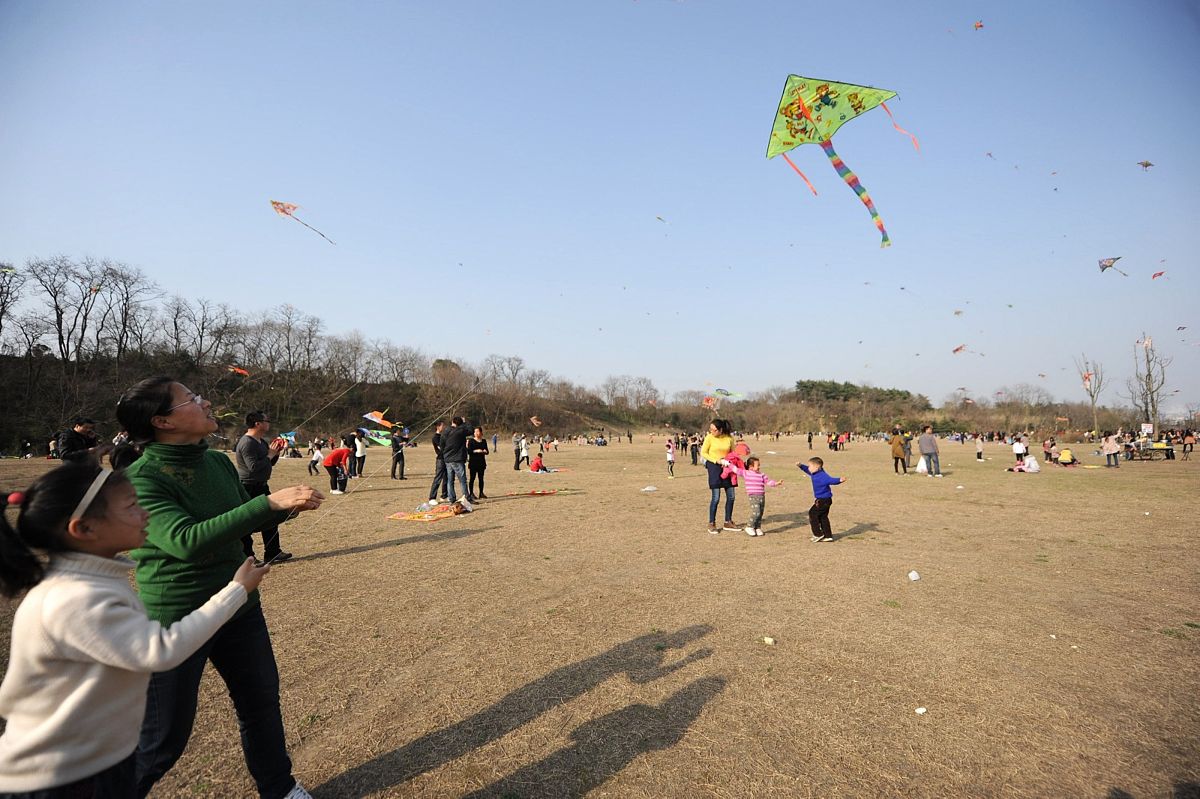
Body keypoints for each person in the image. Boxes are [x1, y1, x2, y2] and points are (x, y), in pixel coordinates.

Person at [0, 457, 271, 799]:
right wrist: (235, 592)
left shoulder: (93, 578)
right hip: (57, 779)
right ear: (83, 529)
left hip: (93, 765)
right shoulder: (73, 597)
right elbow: (161, 651)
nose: (146, 514)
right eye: (132, 506)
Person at [112, 376, 322, 799]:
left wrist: (287, 509)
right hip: (177, 618)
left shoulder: (217, 462)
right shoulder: (141, 478)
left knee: (261, 703)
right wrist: (268, 502)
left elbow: (244, 520)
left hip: (239, 604)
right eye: (190, 398)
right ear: (162, 422)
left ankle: (279, 788)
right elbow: (186, 540)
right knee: (161, 740)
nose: (204, 401)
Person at [235, 411, 291, 566]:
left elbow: (268, 464)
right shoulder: (247, 443)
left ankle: (273, 552)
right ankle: (248, 557)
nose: (269, 423)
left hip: (261, 485)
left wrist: (275, 453)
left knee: (272, 517)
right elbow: (253, 467)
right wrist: (269, 455)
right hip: (248, 487)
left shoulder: (261, 441)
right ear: (257, 423)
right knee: (248, 521)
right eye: (267, 420)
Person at [719, 455, 782, 537]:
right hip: (753, 496)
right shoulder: (746, 473)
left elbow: (768, 482)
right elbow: (735, 469)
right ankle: (749, 526)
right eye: (758, 465)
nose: (759, 467)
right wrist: (728, 463)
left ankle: (757, 527)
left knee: (760, 513)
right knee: (756, 512)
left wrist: (776, 483)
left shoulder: (761, 475)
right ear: (751, 467)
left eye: (759, 465)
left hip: (762, 496)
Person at [700, 419, 738, 534]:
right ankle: (712, 523)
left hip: (727, 467)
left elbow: (733, 453)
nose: (711, 431)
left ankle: (728, 521)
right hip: (714, 467)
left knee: (731, 496)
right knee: (716, 498)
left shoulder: (729, 438)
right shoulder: (709, 437)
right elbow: (704, 453)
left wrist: (731, 462)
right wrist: (717, 461)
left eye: (714, 430)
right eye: (710, 429)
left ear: (721, 430)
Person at [797, 456, 846, 542]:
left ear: (817, 467)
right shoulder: (814, 473)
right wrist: (801, 466)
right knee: (823, 517)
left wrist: (839, 480)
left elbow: (831, 480)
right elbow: (807, 470)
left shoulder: (822, 476)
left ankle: (818, 534)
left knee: (812, 513)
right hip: (826, 500)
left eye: (810, 466)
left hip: (823, 501)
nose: (808, 468)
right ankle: (828, 536)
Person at [441, 417, 470, 504]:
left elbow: (441, 443)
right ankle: (466, 497)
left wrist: (445, 453)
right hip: (457, 459)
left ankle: (451, 498)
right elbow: (470, 430)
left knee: (450, 480)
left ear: (452, 422)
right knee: (462, 480)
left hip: (448, 459)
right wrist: (465, 423)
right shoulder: (460, 431)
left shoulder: (446, 431)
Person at [428, 421, 448, 502]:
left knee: (446, 478)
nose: (444, 427)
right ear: (438, 427)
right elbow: (442, 447)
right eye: (443, 425)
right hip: (440, 459)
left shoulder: (444, 435)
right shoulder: (435, 437)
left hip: (447, 459)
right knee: (438, 478)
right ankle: (432, 497)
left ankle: (444, 496)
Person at [467, 427, 489, 499]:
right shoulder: (471, 441)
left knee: (481, 478)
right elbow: (469, 451)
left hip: (481, 462)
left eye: (477, 431)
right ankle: (471, 493)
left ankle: (481, 493)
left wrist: (485, 451)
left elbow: (487, 451)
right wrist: (476, 451)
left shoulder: (484, 441)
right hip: (473, 462)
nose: (476, 433)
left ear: (481, 432)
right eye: (475, 432)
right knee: (472, 478)